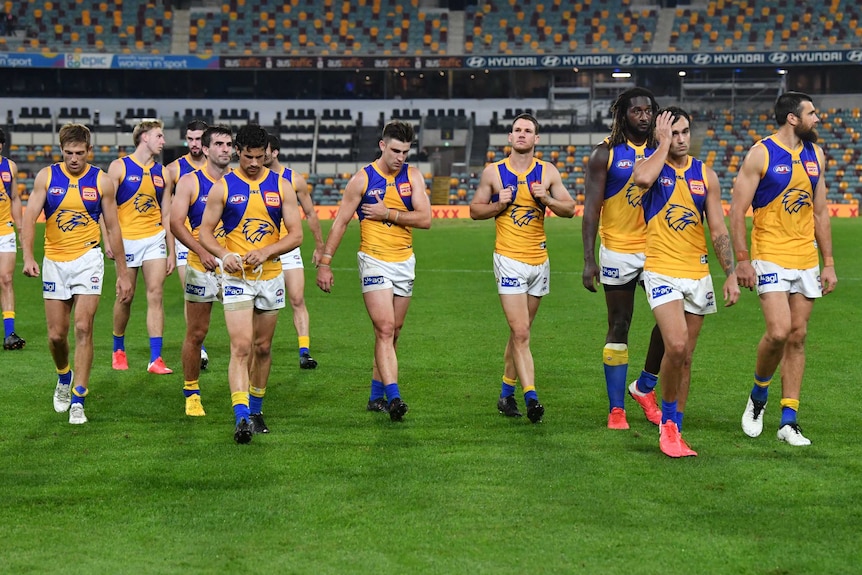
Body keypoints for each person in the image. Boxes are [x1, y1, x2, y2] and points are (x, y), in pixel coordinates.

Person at [731, 91, 837, 447]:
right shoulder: (761, 153)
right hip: (769, 253)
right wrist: (742, 260)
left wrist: (830, 263)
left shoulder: (815, 155)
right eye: (811, 113)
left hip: (805, 257)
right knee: (778, 331)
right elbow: (736, 210)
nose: (817, 118)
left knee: (798, 335)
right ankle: (758, 397)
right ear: (792, 118)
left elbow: (820, 212)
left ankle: (789, 420)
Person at [632, 107, 739, 457]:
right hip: (661, 269)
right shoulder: (651, 163)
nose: (680, 139)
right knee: (675, 346)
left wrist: (731, 273)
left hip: (698, 273)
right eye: (673, 133)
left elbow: (718, 228)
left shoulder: (705, 175)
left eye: (683, 132)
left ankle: (675, 425)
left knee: (686, 357)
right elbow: (642, 181)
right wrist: (660, 144)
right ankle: (667, 427)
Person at [316, 120, 431, 421]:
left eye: (405, 152)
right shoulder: (363, 180)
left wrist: (387, 213)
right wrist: (325, 263)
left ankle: (375, 395)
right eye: (395, 150)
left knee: (394, 333)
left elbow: (426, 218)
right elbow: (341, 222)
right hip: (374, 259)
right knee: (384, 328)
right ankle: (394, 398)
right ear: (382, 145)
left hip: (404, 261)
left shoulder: (413, 176)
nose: (400, 158)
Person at [198, 124, 303, 444]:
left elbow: (296, 235)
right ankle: (242, 416)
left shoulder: (282, 186)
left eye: (260, 157)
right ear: (236, 152)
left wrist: (267, 251)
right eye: (248, 157)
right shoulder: (223, 187)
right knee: (241, 346)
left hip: (270, 277)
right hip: (236, 278)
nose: (254, 163)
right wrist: (222, 253)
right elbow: (204, 233)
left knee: (263, 347)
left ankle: (256, 410)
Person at [21, 123, 132, 424]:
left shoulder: (102, 181)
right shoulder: (47, 177)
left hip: (88, 259)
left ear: (89, 151)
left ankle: (79, 398)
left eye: (79, 153)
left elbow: (113, 228)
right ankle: (63, 376)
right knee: (57, 336)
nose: (74, 159)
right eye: (68, 153)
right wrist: (29, 256)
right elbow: (30, 217)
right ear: (61, 152)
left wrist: (122, 272)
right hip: (54, 262)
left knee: (83, 327)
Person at [470, 113, 575, 424]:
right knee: (520, 331)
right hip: (508, 259)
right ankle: (531, 397)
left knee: (520, 335)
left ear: (536, 139)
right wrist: (498, 205)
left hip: (539, 261)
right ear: (510, 136)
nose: (522, 134)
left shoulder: (547, 172)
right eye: (517, 129)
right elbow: (475, 210)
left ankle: (506, 394)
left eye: (528, 130)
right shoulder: (494, 172)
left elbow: (570, 208)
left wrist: (548, 200)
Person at [582, 87, 665, 430]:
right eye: (636, 111)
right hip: (617, 249)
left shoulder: (664, 151)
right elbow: (590, 210)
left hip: (659, 249)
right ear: (622, 115)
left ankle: (645, 387)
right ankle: (617, 408)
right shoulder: (605, 153)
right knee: (619, 324)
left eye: (649, 110)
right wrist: (589, 259)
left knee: (674, 322)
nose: (643, 116)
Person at [170, 125, 233, 417]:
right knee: (196, 333)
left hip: (236, 268)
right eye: (218, 144)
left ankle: (245, 398)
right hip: (201, 264)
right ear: (205, 149)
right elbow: (175, 223)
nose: (225, 149)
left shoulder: (241, 181)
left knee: (247, 338)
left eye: (228, 143)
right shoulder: (190, 182)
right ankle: (191, 393)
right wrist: (201, 251)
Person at [107, 118, 175, 374]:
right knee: (126, 296)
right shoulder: (119, 167)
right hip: (126, 240)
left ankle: (155, 359)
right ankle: (118, 349)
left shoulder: (163, 173)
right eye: (159, 135)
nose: (163, 141)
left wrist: (170, 249)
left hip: (154, 239)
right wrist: (109, 241)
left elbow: (166, 214)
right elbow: (107, 208)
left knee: (155, 295)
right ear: (144, 137)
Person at [264, 133, 325, 369]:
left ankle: (304, 351)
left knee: (297, 299)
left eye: (265, 150)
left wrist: (320, 247)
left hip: (288, 248)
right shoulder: (253, 179)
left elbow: (310, 214)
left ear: (275, 152)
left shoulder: (293, 179)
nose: (260, 154)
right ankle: (255, 347)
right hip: (262, 251)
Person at [165, 119, 210, 369]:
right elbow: (169, 215)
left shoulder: (221, 170)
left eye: (198, 139)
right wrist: (170, 250)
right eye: (190, 139)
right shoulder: (174, 170)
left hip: (217, 242)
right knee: (191, 293)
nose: (194, 144)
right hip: (186, 241)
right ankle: (199, 347)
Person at [0, 127, 25, 350]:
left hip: (4, 230)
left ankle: (9, 335)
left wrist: (20, 227)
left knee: (6, 279)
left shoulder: (10, 167)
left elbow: (15, 198)